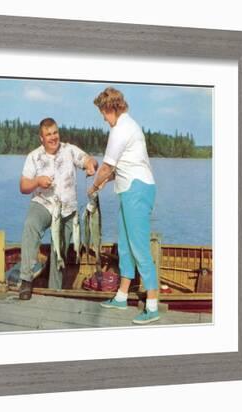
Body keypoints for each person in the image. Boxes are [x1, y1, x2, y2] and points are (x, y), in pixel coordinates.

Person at [90, 87, 159, 325]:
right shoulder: (128, 125)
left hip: (136, 190)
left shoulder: (120, 129)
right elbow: (117, 168)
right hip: (130, 189)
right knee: (127, 247)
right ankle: (121, 296)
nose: (102, 117)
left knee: (139, 247)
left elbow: (107, 168)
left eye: (103, 111)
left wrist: (93, 186)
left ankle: (152, 305)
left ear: (111, 108)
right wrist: (101, 183)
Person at [19, 118, 97, 300]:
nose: (53, 137)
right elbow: (23, 186)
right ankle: (26, 280)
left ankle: (54, 291)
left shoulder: (70, 150)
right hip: (43, 204)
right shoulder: (33, 156)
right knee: (31, 225)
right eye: (48, 134)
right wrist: (38, 181)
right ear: (41, 138)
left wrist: (91, 164)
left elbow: (88, 159)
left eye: (55, 132)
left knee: (59, 250)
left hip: (67, 210)